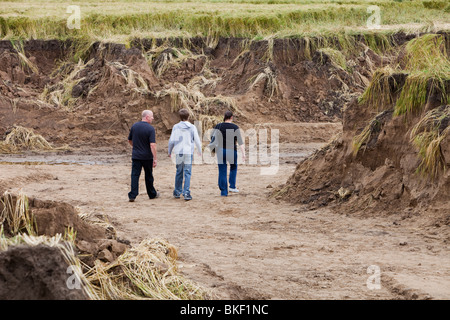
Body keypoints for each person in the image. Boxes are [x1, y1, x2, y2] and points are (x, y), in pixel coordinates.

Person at [168, 108, 202, 201]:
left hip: (179, 152)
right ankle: (186, 192)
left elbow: (172, 141)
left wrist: (169, 151)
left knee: (179, 172)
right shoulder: (192, 127)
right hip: (188, 152)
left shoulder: (176, 127)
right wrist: (199, 151)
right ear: (188, 116)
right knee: (187, 172)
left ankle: (177, 192)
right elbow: (197, 141)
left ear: (180, 117)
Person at [127, 110, 160, 202]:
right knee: (148, 175)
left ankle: (132, 195)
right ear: (147, 117)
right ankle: (152, 194)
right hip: (147, 156)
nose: (153, 118)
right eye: (152, 116)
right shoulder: (150, 129)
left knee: (135, 175)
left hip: (136, 156)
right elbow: (152, 145)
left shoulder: (134, 126)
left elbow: (129, 140)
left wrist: (136, 147)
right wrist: (155, 158)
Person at [213, 110, 245, 197]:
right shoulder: (235, 127)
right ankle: (232, 186)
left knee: (222, 170)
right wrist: (243, 153)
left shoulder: (218, 126)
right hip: (231, 151)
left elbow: (212, 138)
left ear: (224, 117)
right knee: (233, 167)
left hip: (220, 151)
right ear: (231, 117)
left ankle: (223, 192)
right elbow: (240, 142)